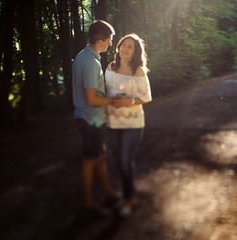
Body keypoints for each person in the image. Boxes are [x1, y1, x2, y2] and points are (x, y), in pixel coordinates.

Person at [72, 20, 120, 216]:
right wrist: (111, 100)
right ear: (101, 40)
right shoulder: (91, 63)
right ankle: (88, 205)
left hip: (90, 118)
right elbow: (91, 98)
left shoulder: (83, 56)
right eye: (109, 40)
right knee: (90, 159)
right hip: (91, 119)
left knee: (99, 156)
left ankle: (109, 194)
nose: (110, 44)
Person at [105, 33, 152, 216]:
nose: (125, 48)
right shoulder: (110, 67)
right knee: (120, 159)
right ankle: (128, 194)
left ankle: (128, 199)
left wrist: (128, 102)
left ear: (135, 51)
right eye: (123, 45)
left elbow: (146, 97)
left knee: (124, 162)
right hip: (113, 122)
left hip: (133, 123)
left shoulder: (138, 71)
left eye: (130, 46)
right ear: (118, 47)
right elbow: (105, 90)